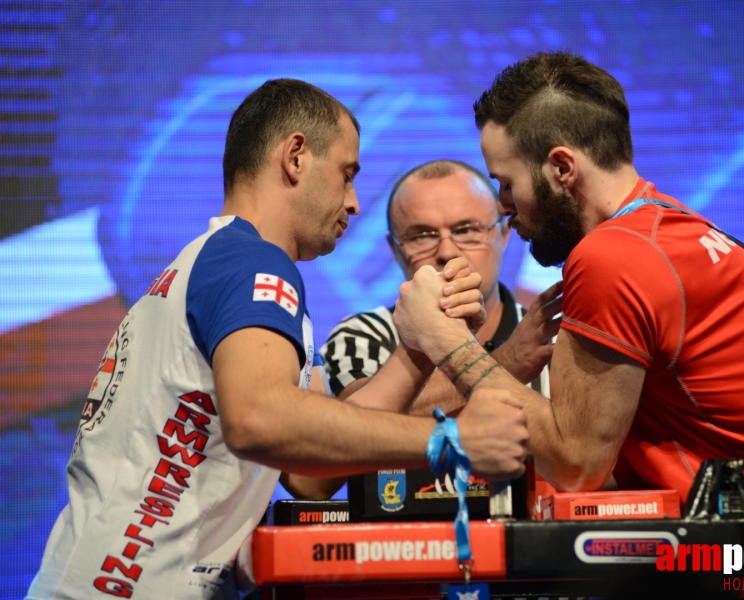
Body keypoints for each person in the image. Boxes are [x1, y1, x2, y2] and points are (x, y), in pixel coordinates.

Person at [392, 52, 744, 597]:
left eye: (506, 183)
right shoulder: (676, 231)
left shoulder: (613, 258)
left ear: (561, 169)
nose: (505, 207)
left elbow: (576, 465)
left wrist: (440, 338)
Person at [26, 79, 528, 600]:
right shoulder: (254, 265)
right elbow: (261, 418)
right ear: (295, 157)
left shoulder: (218, 260)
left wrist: (419, 348)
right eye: (347, 175)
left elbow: (307, 476)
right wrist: (450, 441)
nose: (354, 203)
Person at [321, 159, 560, 410]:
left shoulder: (554, 339)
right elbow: (353, 427)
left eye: (467, 230)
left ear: (503, 236)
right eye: (422, 235)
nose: (447, 251)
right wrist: (508, 362)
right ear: (395, 251)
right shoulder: (361, 336)